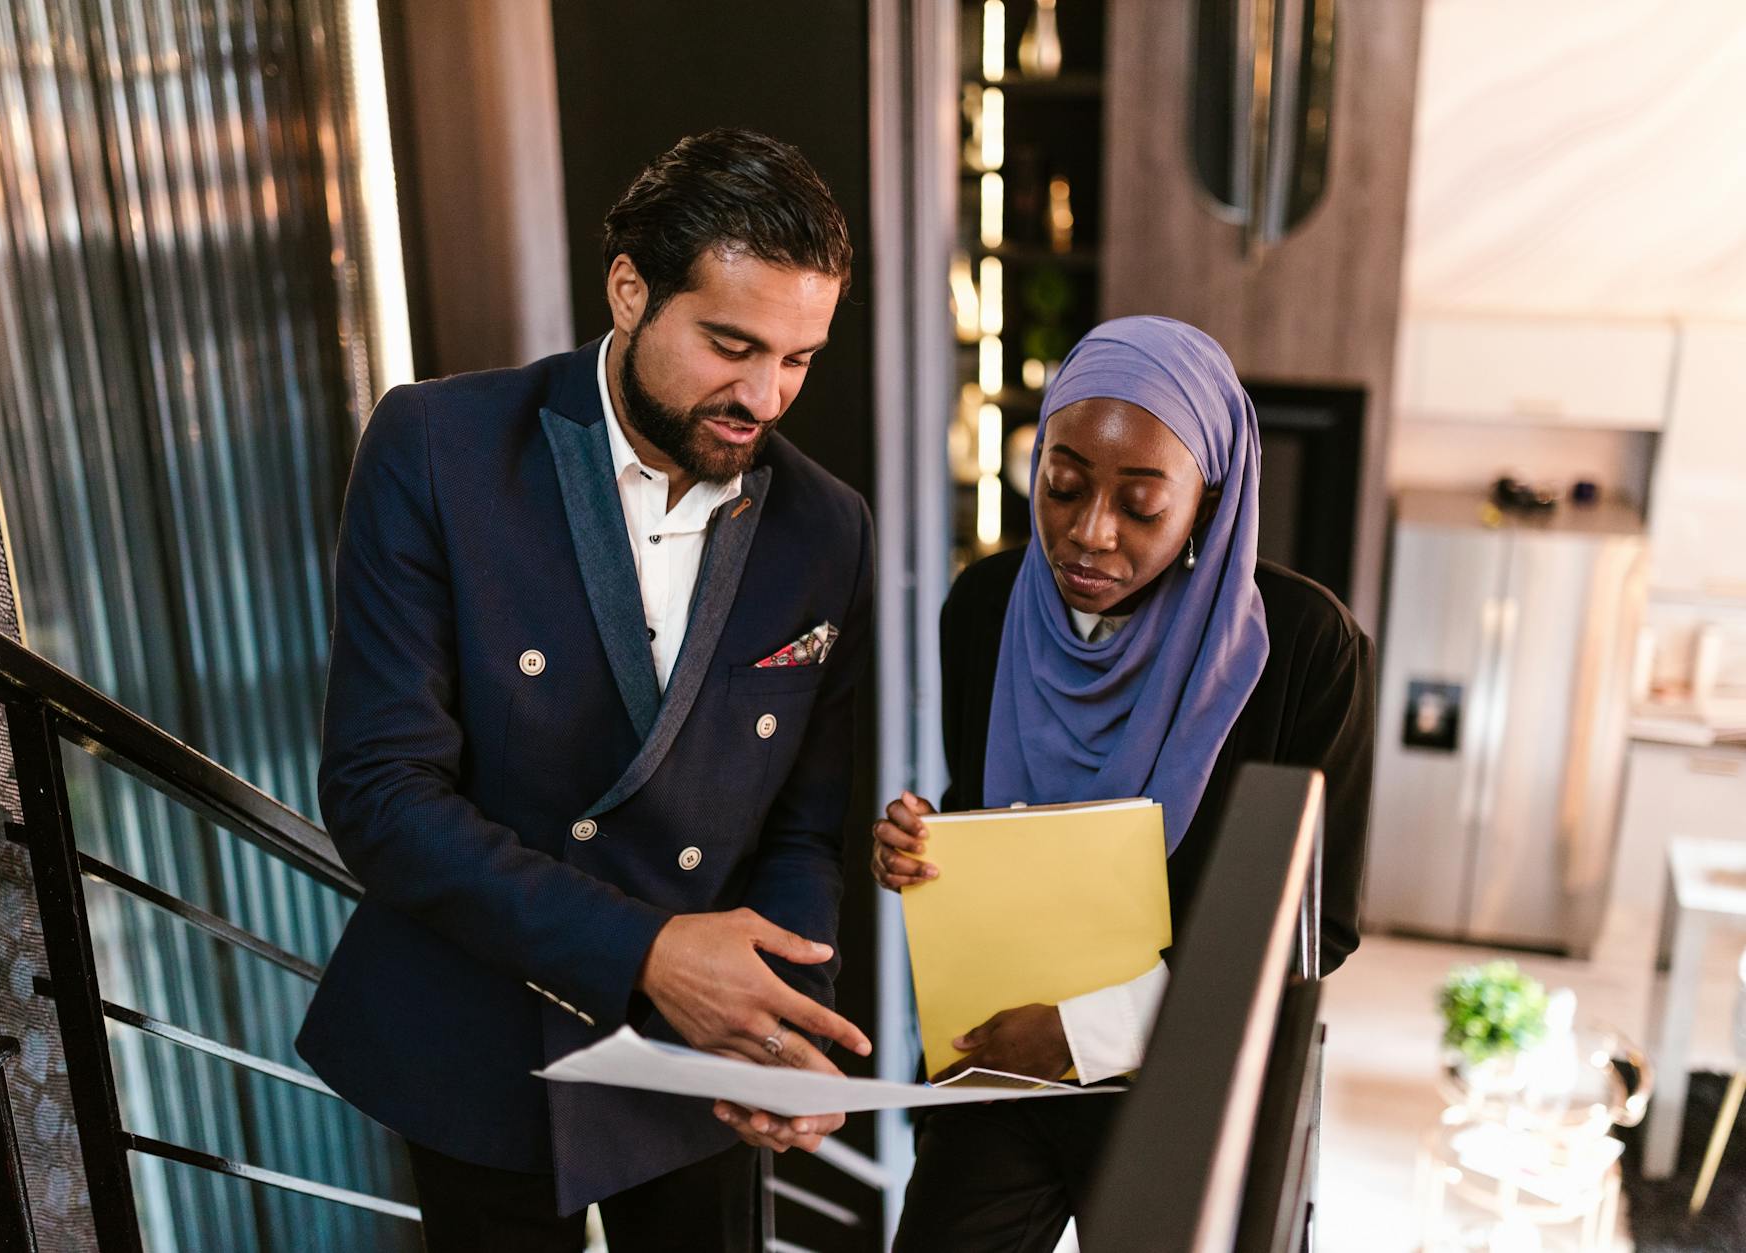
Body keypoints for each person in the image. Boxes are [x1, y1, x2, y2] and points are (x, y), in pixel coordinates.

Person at [297, 128, 876, 1252]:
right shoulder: (435, 447)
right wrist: (651, 955)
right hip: (480, 1036)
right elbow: (381, 793)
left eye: (799, 357)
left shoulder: (826, 527)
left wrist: (781, 1028)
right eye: (729, 343)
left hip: (697, 1059)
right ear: (628, 291)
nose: (763, 396)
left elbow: (802, 833)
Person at [871, 316, 1374, 1251]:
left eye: (1140, 505)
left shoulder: (1306, 648)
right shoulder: (985, 607)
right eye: (1060, 488)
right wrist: (923, 844)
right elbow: (991, 817)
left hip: (1187, 1076)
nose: (1088, 535)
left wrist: (1084, 1033)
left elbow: (1318, 927)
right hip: (1002, 1063)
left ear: (1208, 501)